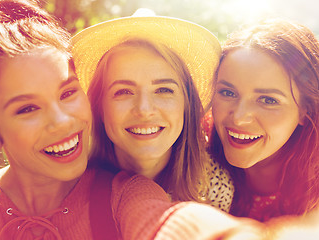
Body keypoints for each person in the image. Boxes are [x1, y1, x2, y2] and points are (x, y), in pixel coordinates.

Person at [0, 0, 265, 239]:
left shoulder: (123, 193)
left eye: (67, 94)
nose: (62, 122)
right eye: (27, 109)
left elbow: (162, 219)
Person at [71, 11, 234, 212]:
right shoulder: (70, 190)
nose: (144, 109)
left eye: (163, 90)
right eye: (124, 91)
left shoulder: (214, 188)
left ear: (187, 104)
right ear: (99, 108)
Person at [207, 18, 319, 222]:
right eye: (228, 92)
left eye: (268, 100)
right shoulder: (192, 141)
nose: (240, 118)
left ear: (306, 110)